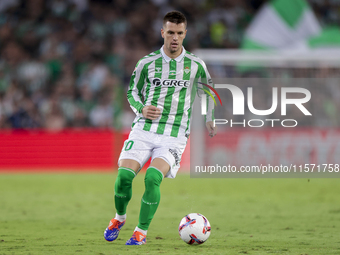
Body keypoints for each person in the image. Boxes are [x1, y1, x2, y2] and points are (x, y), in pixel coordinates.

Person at [104, 10, 217, 245]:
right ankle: (119, 218)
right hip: (144, 129)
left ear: (185, 34)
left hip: (174, 135)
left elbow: (207, 91)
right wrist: (141, 108)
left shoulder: (196, 64)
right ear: (162, 32)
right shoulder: (147, 63)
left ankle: (141, 232)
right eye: (170, 32)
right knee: (124, 176)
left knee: (152, 178)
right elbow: (131, 92)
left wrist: (209, 117)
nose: (174, 37)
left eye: (179, 33)